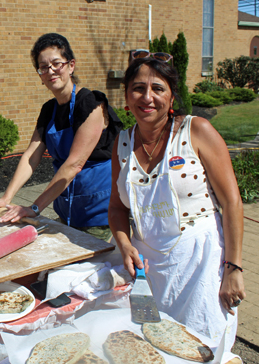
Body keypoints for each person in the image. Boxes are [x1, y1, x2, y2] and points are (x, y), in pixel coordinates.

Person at [108, 53, 246, 349]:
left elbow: (232, 202)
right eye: (138, 88)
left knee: (200, 345)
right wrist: (125, 245)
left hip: (200, 264)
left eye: (158, 88)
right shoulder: (122, 142)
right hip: (149, 269)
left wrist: (234, 269)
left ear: (171, 97)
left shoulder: (196, 131)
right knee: (155, 344)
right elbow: (117, 207)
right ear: (127, 96)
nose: (147, 97)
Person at [0, 33, 122, 241]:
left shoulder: (90, 103)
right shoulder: (49, 110)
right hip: (66, 207)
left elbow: (74, 164)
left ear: (71, 66)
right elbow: (31, 156)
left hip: (97, 211)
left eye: (56, 63)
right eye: (43, 67)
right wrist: (6, 198)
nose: (50, 70)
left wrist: (34, 207)